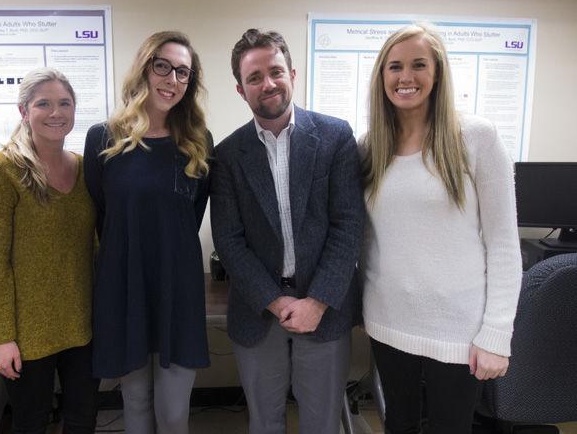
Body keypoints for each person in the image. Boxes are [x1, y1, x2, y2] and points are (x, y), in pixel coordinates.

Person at [360, 22, 522, 433]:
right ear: (382, 76)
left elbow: (503, 244)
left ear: (438, 73)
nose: (406, 77)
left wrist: (496, 335)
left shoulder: (476, 138)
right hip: (387, 321)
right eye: (394, 67)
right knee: (399, 424)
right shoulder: (369, 148)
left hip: (458, 329)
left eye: (419, 65)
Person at [210, 29, 365, 434]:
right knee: (264, 423)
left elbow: (348, 226)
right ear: (241, 90)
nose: (268, 83)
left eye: (275, 71)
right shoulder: (227, 155)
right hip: (259, 310)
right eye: (255, 77)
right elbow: (229, 240)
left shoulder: (335, 137)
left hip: (324, 309)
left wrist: (316, 301)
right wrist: (276, 302)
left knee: (322, 423)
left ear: (292, 73)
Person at [83, 31, 211, 434]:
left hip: (179, 287)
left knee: (174, 413)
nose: (172, 80)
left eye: (183, 73)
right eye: (163, 66)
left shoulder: (198, 142)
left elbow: (192, 216)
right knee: (135, 405)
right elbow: (101, 214)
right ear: (144, 69)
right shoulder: (103, 139)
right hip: (124, 285)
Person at [0, 67, 99, 434]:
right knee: (30, 423)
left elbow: (91, 245)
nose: (56, 112)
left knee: (83, 419)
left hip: (82, 325)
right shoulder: (3, 169)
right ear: (24, 111)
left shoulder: (83, 167)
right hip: (26, 332)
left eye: (65, 103)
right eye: (44, 103)